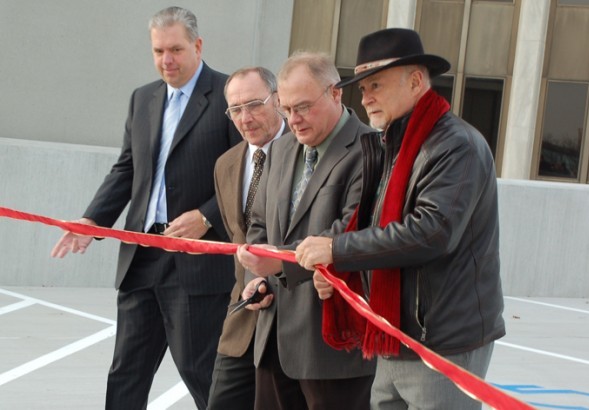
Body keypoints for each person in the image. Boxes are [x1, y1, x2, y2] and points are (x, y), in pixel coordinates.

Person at [295, 28, 506, 410]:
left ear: (415, 81)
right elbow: (370, 225)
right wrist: (337, 266)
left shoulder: (456, 145)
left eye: (375, 83)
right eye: (361, 88)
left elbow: (431, 232)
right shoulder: (391, 144)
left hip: (442, 339)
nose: (366, 97)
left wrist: (337, 251)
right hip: (394, 331)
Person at [50, 7, 241, 409]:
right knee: (126, 372)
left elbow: (246, 174)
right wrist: (91, 220)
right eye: (158, 51)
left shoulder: (227, 95)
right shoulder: (143, 98)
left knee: (200, 371)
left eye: (175, 49)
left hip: (196, 261)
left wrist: (207, 216)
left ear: (197, 45)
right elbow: (126, 170)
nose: (166, 60)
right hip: (141, 256)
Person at [235, 52, 376, 410]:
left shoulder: (371, 151)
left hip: (331, 345)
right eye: (285, 110)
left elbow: (350, 231)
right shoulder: (281, 149)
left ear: (335, 93)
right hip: (273, 339)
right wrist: (259, 270)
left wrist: (279, 265)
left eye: (303, 108)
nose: (293, 121)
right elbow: (260, 223)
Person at [208, 66, 287, 410]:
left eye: (254, 105)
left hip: (292, 322)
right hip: (242, 318)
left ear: (278, 100)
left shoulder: (307, 154)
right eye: (235, 109)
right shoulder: (226, 164)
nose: (245, 117)